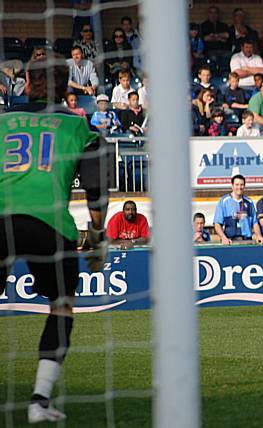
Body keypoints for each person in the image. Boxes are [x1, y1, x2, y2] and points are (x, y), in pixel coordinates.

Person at [0, 57, 108, 424]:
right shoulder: (80, 126)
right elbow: (95, 190)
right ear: (67, 88)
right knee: (61, 305)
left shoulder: (2, 122)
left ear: (27, 82)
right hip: (50, 222)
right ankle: (38, 402)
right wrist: (96, 238)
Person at [213, 174, 263, 244]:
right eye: (237, 185)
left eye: (241, 185)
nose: (239, 187)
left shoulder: (249, 202)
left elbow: (255, 223)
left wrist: (259, 236)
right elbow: (217, 223)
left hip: (247, 240)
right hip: (230, 241)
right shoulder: (224, 201)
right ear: (232, 186)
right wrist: (223, 237)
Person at [200, 6, 231, 70]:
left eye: (215, 13)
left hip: (223, 49)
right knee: (213, 58)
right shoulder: (203, 25)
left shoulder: (223, 25)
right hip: (210, 50)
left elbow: (227, 36)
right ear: (208, 14)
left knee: (230, 55)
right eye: (211, 12)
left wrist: (214, 36)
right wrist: (220, 37)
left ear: (218, 14)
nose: (213, 15)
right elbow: (205, 38)